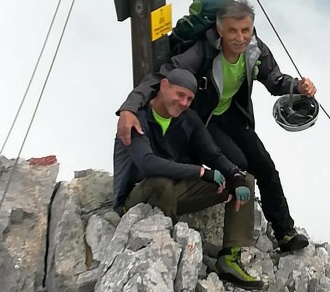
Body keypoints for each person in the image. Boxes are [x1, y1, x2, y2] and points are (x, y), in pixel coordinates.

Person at [117, 0, 317, 253]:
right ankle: (231, 244)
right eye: (233, 31)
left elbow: (273, 78)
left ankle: (285, 232)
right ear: (220, 30)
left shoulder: (255, 49)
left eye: (246, 30)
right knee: (238, 165)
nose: (240, 37)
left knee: (264, 165)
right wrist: (129, 108)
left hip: (232, 114)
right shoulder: (201, 52)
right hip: (202, 120)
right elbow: (161, 78)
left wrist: (296, 86)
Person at [113, 67, 264, 290]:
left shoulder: (188, 120)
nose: (184, 103)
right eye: (180, 95)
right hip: (137, 198)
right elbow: (147, 163)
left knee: (245, 180)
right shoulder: (137, 120)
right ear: (164, 86)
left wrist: (235, 175)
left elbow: (212, 153)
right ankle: (170, 247)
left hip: (176, 192)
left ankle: (230, 256)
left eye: (189, 98)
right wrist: (200, 172)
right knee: (160, 182)